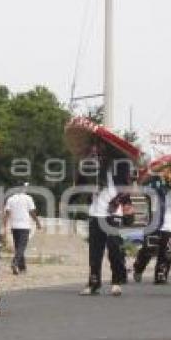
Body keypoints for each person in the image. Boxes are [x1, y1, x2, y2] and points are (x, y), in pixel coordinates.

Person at [64, 117, 139, 297]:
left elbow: (126, 185)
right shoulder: (86, 164)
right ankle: (93, 283)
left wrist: (126, 203)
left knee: (114, 247)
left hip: (113, 209)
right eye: (93, 145)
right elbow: (79, 186)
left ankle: (117, 281)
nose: (96, 149)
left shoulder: (119, 163)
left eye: (99, 145)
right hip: (95, 211)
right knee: (94, 250)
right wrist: (69, 201)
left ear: (107, 146)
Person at [132, 153, 171, 284]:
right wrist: (155, 172)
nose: (168, 172)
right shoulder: (155, 183)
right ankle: (138, 267)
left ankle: (161, 275)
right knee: (149, 249)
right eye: (166, 169)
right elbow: (142, 184)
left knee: (168, 251)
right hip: (155, 223)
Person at [3, 183, 41, 275]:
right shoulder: (28, 198)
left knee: (18, 247)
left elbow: (7, 213)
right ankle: (14, 263)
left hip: (14, 226)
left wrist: (4, 225)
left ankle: (22, 268)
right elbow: (32, 212)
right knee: (21, 247)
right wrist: (37, 222)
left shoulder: (11, 199)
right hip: (24, 226)